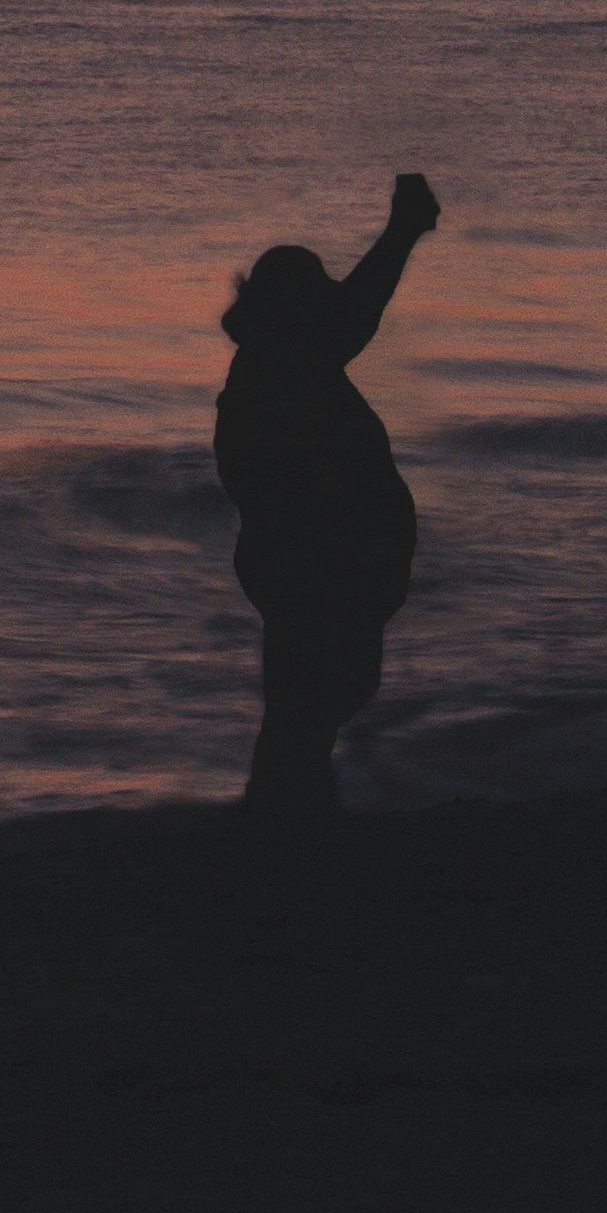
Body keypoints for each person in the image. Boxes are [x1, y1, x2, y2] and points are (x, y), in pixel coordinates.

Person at [213, 173, 440, 816]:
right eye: (316, 295)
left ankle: (287, 806)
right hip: (310, 561)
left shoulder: (285, 360)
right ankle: (285, 816)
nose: (329, 304)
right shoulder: (279, 369)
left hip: (313, 559)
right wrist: (402, 230)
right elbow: (354, 313)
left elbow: (352, 313)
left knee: (311, 695)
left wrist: (404, 230)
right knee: (309, 697)